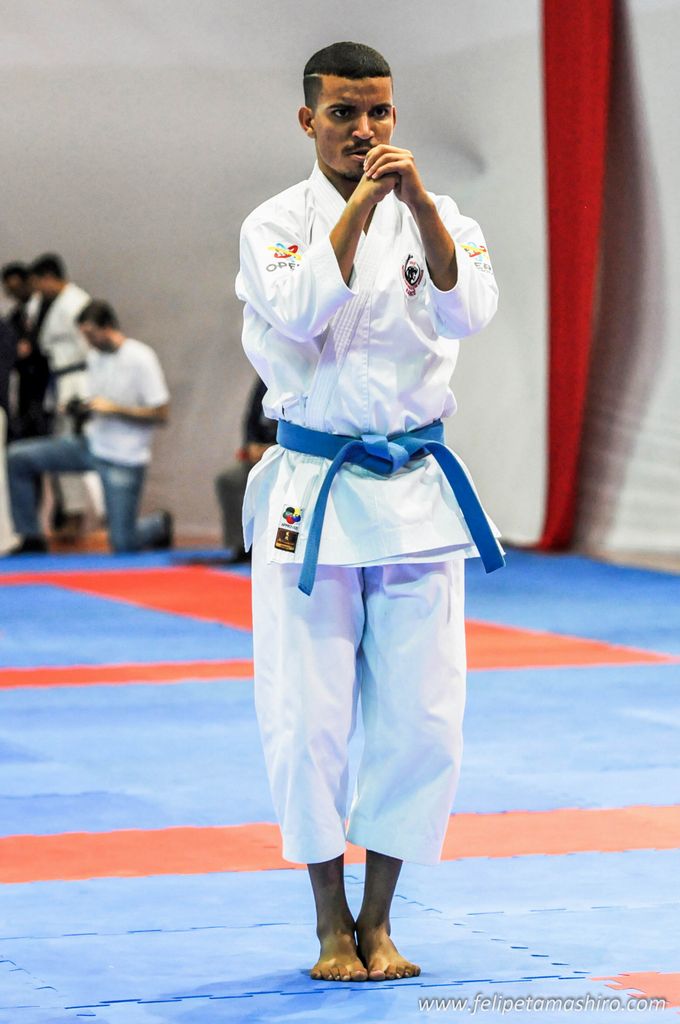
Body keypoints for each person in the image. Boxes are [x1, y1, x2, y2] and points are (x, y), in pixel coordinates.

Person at [235, 41, 502, 983]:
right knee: (307, 716)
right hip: (314, 492)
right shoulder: (274, 223)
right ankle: (328, 922)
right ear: (308, 119)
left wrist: (418, 206)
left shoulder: (443, 215)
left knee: (424, 719)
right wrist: (359, 209)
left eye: (378, 112)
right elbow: (300, 312)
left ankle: (380, 919)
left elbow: (472, 312)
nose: (364, 129)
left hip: (416, 490)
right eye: (344, 113)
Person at [6, 300, 172, 554]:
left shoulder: (140, 358)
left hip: (124, 457)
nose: (88, 341)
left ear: (108, 327)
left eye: (91, 334)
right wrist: (79, 408)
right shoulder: (94, 357)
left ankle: (159, 524)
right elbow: (97, 402)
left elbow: (161, 413)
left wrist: (114, 409)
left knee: (123, 543)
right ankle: (31, 537)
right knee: (19, 457)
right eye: (84, 335)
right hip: (91, 444)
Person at [214, 377, 277, 560]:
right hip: (259, 455)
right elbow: (251, 417)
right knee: (229, 480)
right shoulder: (263, 379)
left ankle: (270, 545)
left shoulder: (298, 378)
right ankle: (241, 545)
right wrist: (250, 444)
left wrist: (272, 448)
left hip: (284, 453)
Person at [1, 262, 50, 440]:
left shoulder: (45, 307)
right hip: (24, 378)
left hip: (43, 373)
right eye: (10, 290)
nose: (15, 294)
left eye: (17, 288)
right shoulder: (16, 315)